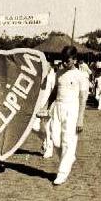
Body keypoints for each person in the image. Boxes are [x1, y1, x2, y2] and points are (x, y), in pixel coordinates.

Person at [43, 46, 89, 185]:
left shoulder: (81, 76)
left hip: (72, 109)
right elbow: (54, 91)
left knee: (67, 141)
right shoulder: (59, 73)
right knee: (55, 140)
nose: (64, 62)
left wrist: (80, 118)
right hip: (58, 107)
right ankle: (69, 158)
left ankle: (62, 173)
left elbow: (83, 98)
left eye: (67, 60)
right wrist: (46, 106)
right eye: (63, 60)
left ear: (74, 60)